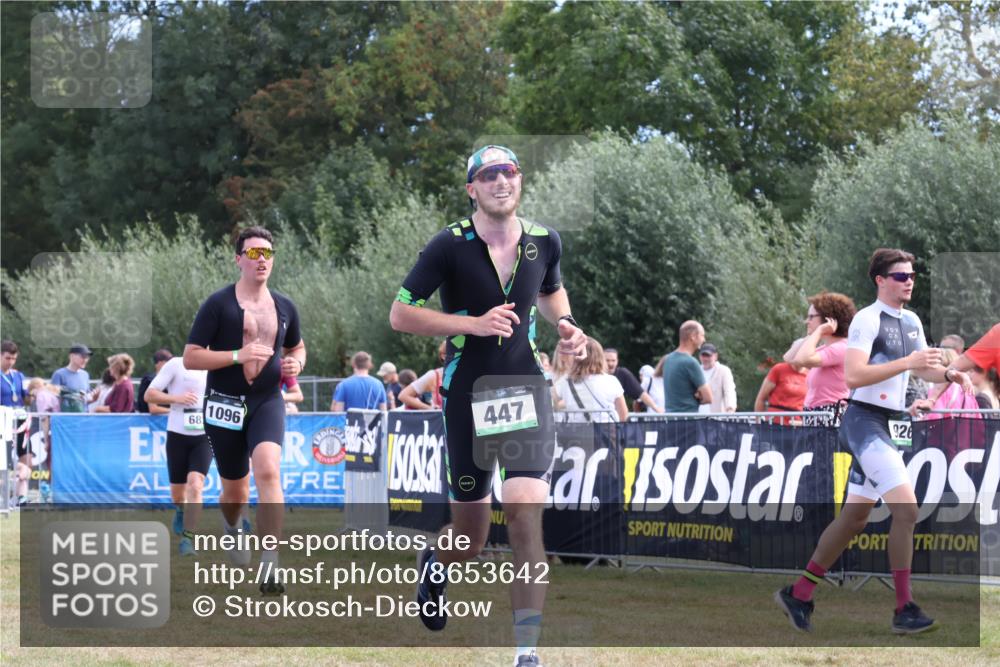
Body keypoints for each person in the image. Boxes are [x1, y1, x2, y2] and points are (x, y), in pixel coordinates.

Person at [389, 144, 586, 667]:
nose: (503, 181)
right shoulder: (448, 245)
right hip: (467, 395)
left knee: (524, 516)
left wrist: (566, 327)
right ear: (472, 188)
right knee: (471, 538)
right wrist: (470, 324)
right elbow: (400, 314)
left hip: (525, 388)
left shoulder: (545, 241)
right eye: (489, 174)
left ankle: (526, 653)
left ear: (520, 182)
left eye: (511, 172)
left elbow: (551, 292)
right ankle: (436, 560)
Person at [775, 248, 967, 635]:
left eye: (911, 275)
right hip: (864, 421)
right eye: (900, 276)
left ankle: (799, 592)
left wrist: (948, 375)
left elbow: (925, 369)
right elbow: (855, 376)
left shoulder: (911, 319)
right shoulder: (866, 319)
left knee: (853, 520)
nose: (909, 281)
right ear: (880, 280)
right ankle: (903, 608)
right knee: (907, 510)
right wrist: (909, 364)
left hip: (889, 422)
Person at [184, 226, 306, 596]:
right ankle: (233, 528)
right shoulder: (218, 304)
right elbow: (191, 356)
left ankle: (271, 564)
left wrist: (296, 365)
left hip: (267, 400)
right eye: (253, 253)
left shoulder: (285, 306)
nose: (261, 259)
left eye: (267, 253)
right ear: (238, 260)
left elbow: (297, 348)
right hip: (224, 402)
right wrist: (237, 355)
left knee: (269, 470)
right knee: (234, 490)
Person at [144, 355, 209, 556]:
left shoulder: (218, 366)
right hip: (177, 435)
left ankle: (188, 540)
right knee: (178, 495)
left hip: (205, 435)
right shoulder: (175, 364)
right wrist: (176, 399)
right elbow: (149, 395)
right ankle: (181, 510)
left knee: (196, 483)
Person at [789, 291, 856, 424]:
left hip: (829, 416)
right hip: (817, 415)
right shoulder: (827, 348)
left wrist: (819, 331)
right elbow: (791, 357)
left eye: (811, 317)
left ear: (827, 319)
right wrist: (811, 335)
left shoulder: (841, 348)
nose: (806, 321)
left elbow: (801, 359)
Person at [555, 337, 628, 422]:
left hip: (574, 432)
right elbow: (623, 415)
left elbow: (548, 401)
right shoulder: (611, 381)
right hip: (605, 432)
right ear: (600, 357)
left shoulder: (565, 381)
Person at [662, 321, 712, 413]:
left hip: (669, 420)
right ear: (693, 336)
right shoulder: (690, 362)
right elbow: (708, 397)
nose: (704, 340)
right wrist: (697, 397)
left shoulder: (668, 360)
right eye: (702, 335)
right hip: (688, 422)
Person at [2, 341, 30, 504]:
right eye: (7, 358)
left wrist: (32, 393)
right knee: (3, 461)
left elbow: (25, 398)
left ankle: (22, 496)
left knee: (25, 458)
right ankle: (3, 497)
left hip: (20, 421)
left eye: (13, 358)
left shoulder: (18, 376)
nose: (11, 362)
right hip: (2, 423)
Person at [605, 347, 662, 414]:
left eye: (613, 360)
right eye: (607, 360)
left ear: (617, 361)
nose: (610, 364)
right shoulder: (594, 375)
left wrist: (656, 409)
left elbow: (640, 393)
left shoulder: (623, 374)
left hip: (614, 417)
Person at [398, 341, 446, 410]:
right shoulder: (434, 375)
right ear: (443, 356)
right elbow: (403, 396)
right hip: (442, 419)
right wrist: (430, 409)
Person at [50, 344, 92, 413]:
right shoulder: (59, 374)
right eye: (83, 356)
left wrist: (93, 398)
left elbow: (86, 397)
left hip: (83, 416)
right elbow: (53, 399)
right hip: (66, 417)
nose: (85, 360)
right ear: (71, 356)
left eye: (87, 357)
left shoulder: (85, 375)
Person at [697, 343, 736, 413]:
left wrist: (730, 409)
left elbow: (729, 391)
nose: (705, 358)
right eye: (703, 355)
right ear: (699, 356)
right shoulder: (696, 371)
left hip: (717, 418)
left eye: (708, 356)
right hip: (697, 417)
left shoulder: (724, 371)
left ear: (716, 356)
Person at [135, 348, 173, 414]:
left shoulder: (167, 381)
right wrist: (176, 412)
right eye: (169, 361)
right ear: (160, 363)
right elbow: (153, 409)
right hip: (150, 422)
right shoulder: (151, 381)